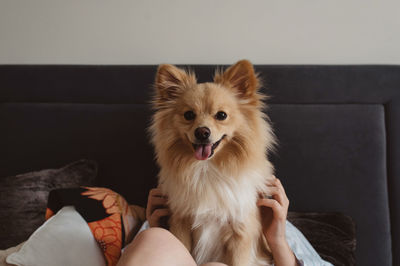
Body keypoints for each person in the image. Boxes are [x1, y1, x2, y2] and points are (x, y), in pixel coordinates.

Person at [117, 177, 332, 266]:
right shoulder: (163, 219)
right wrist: (162, 232)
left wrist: (277, 242)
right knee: (154, 238)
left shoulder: (275, 222)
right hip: (160, 238)